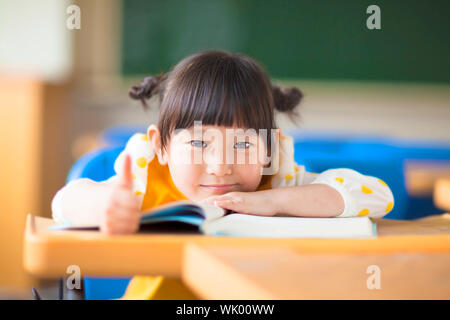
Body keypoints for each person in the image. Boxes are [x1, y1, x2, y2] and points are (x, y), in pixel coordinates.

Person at [51, 50, 394, 299]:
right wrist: (106, 204)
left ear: (269, 149)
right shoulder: (144, 180)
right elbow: (64, 203)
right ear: (162, 146)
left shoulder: (277, 181)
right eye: (200, 142)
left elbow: (376, 195)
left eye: (244, 144)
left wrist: (274, 201)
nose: (220, 165)